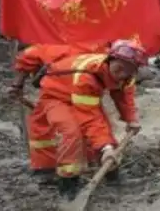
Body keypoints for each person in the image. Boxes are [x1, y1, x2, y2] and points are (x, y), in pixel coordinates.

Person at [7, 40, 145, 200]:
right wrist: (106, 148)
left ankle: (111, 174)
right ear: (109, 60)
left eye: (128, 71)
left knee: (103, 131)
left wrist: (131, 119)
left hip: (81, 95)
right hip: (56, 96)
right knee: (72, 132)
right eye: (119, 68)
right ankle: (68, 184)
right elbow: (90, 119)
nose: (121, 74)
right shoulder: (87, 77)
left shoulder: (126, 77)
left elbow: (124, 98)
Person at [11, 42, 108, 183]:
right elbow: (28, 58)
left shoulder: (48, 49)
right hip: (65, 93)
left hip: (78, 93)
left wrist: (17, 85)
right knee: (77, 128)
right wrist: (17, 85)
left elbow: (27, 58)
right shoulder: (61, 47)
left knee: (89, 128)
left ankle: (92, 161)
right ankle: (66, 169)